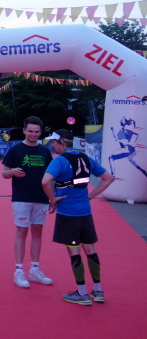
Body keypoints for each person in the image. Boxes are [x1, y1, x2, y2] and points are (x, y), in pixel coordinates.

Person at [42, 129, 115, 305]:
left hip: (68, 213)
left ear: (62, 142)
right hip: (85, 212)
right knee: (90, 250)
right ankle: (98, 291)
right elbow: (108, 178)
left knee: (74, 251)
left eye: (54, 142)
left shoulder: (60, 160)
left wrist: (52, 199)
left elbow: (45, 181)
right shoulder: (86, 158)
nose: (52, 145)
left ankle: (81, 293)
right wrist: (91, 195)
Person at [2, 116, 54, 288]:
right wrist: (12, 172)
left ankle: (35, 269)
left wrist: (52, 198)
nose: (33, 134)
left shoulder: (45, 151)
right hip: (21, 198)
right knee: (21, 232)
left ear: (41, 132)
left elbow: (51, 177)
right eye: (30, 131)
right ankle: (18, 271)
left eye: (36, 132)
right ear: (24, 131)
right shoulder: (15, 150)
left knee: (38, 232)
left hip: (41, 197)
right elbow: (4, 173)